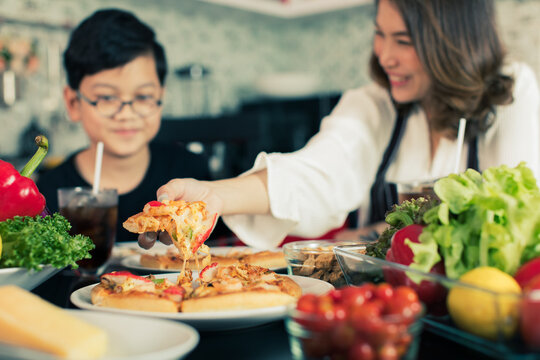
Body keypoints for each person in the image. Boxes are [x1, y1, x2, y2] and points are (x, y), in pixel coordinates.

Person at [139, 0, 539, 250]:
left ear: (454, 43)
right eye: (380, 35)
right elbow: (316, 173)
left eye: (403, 41)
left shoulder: (511, 90)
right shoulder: (374, 103)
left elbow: (519, 212)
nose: (385, 56)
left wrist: (370, 234)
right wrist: (214, 196)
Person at [36, 9, 211, 243]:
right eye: (107, 98)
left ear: (161, 96)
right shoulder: (47, 194)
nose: (127, 114)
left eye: (143, 96)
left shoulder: (191, 173)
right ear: (73, 103)